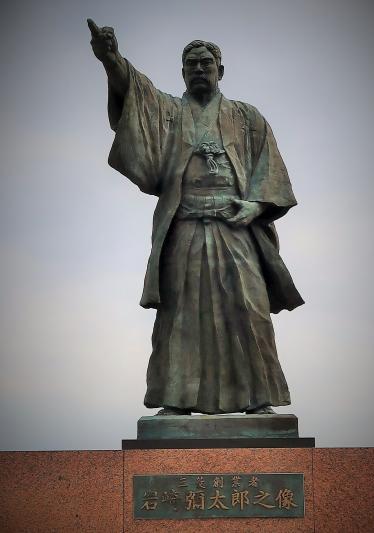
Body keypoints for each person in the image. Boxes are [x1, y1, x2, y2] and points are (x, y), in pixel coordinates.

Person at [87, 19, 304, 416]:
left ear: (220, 70)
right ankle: (175, 399)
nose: (199, 70)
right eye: (192, 65)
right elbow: (136, 92)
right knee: (180, 315)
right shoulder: (169, 112)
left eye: (206, 64)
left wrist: (253, 207)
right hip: (184, 227)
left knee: (249, 311)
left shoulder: (247, 117)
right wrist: (111, 59)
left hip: (235, 228)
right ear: (183, 72)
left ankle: (259, 400)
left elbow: (270, 173)